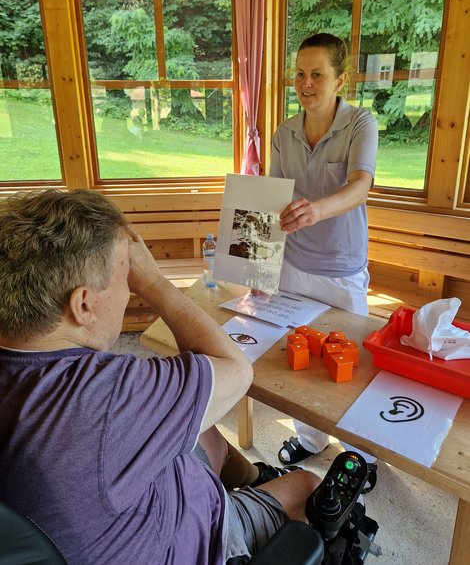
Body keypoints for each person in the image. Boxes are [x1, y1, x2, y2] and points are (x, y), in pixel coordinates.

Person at [0, 189, 321, 565]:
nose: (129, 291)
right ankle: (257, 498)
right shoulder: (108, 394)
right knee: (310, 485)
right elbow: (235, 370)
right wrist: (154, 281)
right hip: (190, 536)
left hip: (118, 507)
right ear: (83, 305)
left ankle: (255, 477)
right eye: (126, 275)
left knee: (203, 428)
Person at [269, 33, 378, 471]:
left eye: (317, 74)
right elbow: (273, 196)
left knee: (351, 362)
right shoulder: (283, 131)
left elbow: (360, 185)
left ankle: (361, 454)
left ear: (341, 80)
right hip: (293, 265)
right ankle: (310, 439)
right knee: (297, 358)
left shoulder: (360, 123)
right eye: (299, 73)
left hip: (342, 267)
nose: (305, 83)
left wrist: (316, 209)